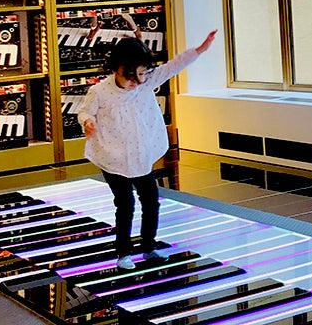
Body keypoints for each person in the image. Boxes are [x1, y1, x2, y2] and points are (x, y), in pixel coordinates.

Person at [77, 30, 217, 270]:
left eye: (141, 74)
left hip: (140, 154)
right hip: (112, 156)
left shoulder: (146, 82)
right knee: (125, 204)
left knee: (151, 202)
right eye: (131, 75)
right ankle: (123, 253)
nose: (137, 81)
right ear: (116, 69)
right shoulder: (99, 91)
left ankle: (149, 247)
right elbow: (85, 111)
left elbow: (173, 66)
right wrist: (88, 122)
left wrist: (200, 50)